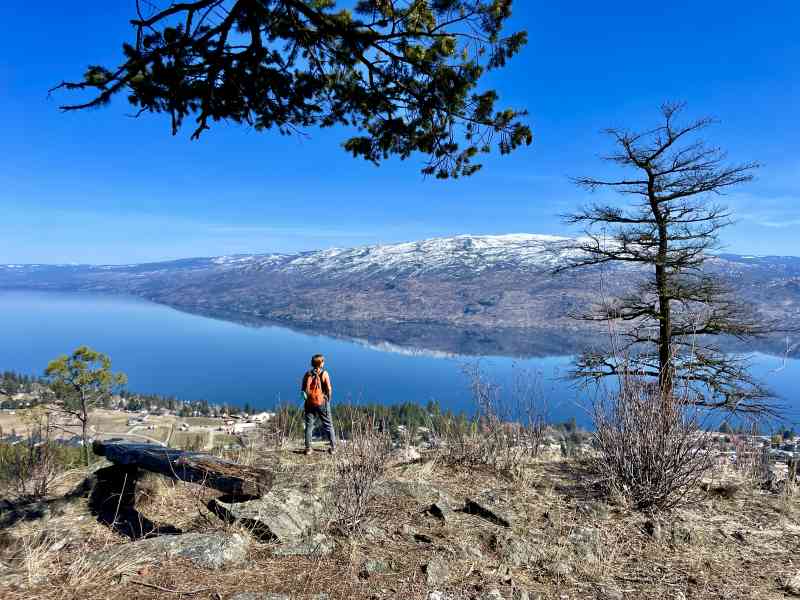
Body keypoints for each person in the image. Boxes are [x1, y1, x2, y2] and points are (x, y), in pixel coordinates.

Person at [301, 354, 336, 455]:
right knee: (328, 425)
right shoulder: (324, 373)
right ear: (321, 363)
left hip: (309, 403)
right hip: (322, 402)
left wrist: (308, 399)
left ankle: (308, 449)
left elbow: (303, 390)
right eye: (323, 361)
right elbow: (329, 389)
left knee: (309, 426)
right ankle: (333, 448)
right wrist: (328, 399)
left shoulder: (307, 374)